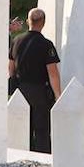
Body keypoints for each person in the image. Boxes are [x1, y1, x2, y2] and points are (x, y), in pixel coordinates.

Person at [8, 8, 62, 153]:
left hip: (20, 91)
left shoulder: (16, 41)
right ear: (43, 23)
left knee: (22, 129)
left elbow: (11, 68)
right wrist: (58, 96)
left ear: (28, 22)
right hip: (40, 93)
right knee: (42, 130)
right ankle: (42, 160)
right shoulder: (46, 45)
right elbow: (53, 73)